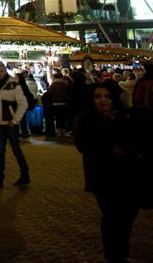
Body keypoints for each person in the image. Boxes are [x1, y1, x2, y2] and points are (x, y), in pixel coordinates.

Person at [74, 81, 143, 262]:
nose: (102, 100)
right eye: (98, 97)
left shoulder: (123, 116)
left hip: (127, 175)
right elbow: (82, 144)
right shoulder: (86, 119)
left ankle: (122, 253)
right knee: (112, 216)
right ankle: (113, 256)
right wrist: (110, 149)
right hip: (102, 176)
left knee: (128, 214)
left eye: (107, 96)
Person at [0, 62, 30, 188]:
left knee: (16, 149)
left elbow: (23, 103)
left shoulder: (13, 84)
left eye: (1, 71)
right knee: (0, 152)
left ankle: (24, 175)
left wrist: (15, 120)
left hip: (10, 123)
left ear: (5, 71)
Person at [17, 70, 38, 138]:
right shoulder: (24, 85)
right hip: (24, 104)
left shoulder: (20, 86)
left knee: (21, 119)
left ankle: (23, 132)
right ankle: (24, 131)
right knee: (23, 119)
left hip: (21, 105)